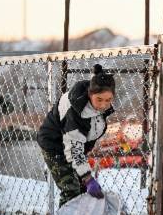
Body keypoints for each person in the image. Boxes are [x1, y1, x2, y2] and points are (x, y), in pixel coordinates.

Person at [37, 64, 115, 206]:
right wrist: (87, 178)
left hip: (74, 147)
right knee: (71, 190)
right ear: (90, 94)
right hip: (55, 146)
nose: (104, 105)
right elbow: (73, 149)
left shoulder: (96, 108)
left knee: (83, 190)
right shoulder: (76, 112)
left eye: (108, 100)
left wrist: (85, 179)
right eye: (99, 99)